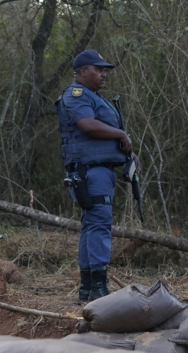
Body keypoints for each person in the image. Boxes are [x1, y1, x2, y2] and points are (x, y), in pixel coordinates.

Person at [54, 50, 140, 303]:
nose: (103, 74)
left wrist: (129, 155)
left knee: (92, 226)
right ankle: (98, 288)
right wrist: (121, 135)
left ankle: (88, 288)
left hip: (100, 171)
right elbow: (88, 125)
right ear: (82, 72)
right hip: (89, 173)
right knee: (99, 225)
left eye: (105, 70)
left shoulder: (95, 97)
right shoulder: (76, 95)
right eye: (98, 69)